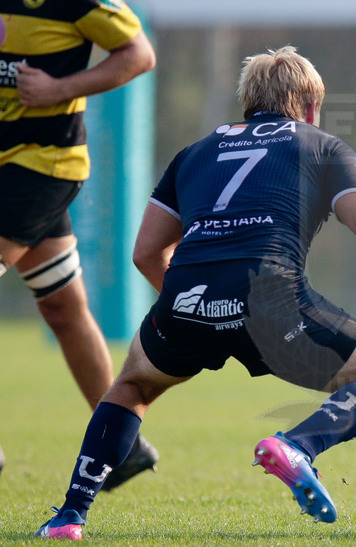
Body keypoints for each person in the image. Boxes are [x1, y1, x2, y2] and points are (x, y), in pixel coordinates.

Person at [34, 45, 356, 540]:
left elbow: (146, 252)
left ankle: (69, 517)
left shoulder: (193, 154)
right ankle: (298, 446)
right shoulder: (320, 144)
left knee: (131, 387)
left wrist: (199, 308)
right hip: (273, 306)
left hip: (187, 300)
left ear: (247, 103)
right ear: (310, 107)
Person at [0, 1, 159, 488]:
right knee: (64, 308)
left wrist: (59, 89)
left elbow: (139, 53)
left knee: (65, 309)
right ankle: (123, 446)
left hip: (41, 167)